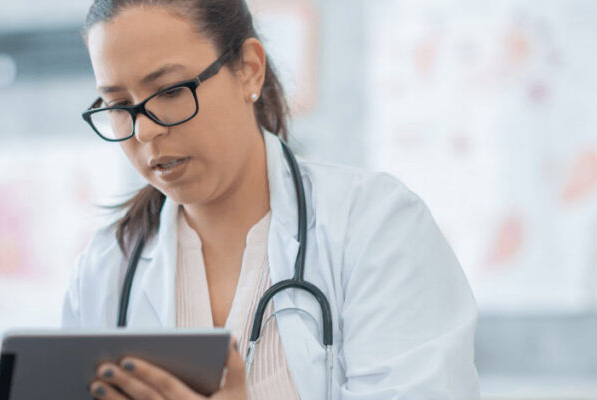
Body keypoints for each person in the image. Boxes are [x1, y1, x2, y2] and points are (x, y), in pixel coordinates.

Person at [61, 0, 479, 399]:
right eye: (118, 105)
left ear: (249, 70)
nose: (144, 133)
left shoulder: (377, 228)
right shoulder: (105, 271)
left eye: (170, 91)